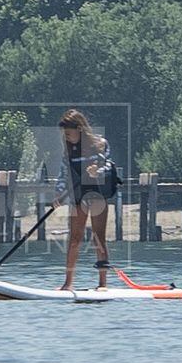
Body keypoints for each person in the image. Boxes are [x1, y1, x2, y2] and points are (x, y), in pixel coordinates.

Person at [52, 109, 120, 291]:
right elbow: (63, 173)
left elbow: (108, 165)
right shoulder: (68, 149)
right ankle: (67, 283)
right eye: (64, 134)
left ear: (79, 129)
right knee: (74, 239)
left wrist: (96, 171)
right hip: (78, 195)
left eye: (68, 132)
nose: (66, 136)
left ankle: (102, 284)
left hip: (98, 194)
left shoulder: (100, 144)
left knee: (99, 237)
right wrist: (58, 193)